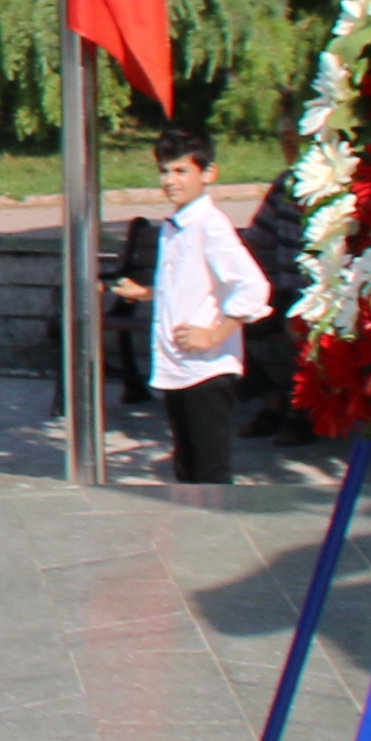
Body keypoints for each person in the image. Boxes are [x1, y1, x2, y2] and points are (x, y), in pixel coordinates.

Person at [127, 124, 272, 487]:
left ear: (207, 173)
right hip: (178, 365)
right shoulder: (176, 224)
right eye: (165, 170)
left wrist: (214, 335)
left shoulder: (211, 225)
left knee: (210, 470)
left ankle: (216, 536)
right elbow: (187, 283)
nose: (170, 180)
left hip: (205, 370)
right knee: (186, 465)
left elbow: (253, 286)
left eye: (181, 171)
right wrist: (145, 293)